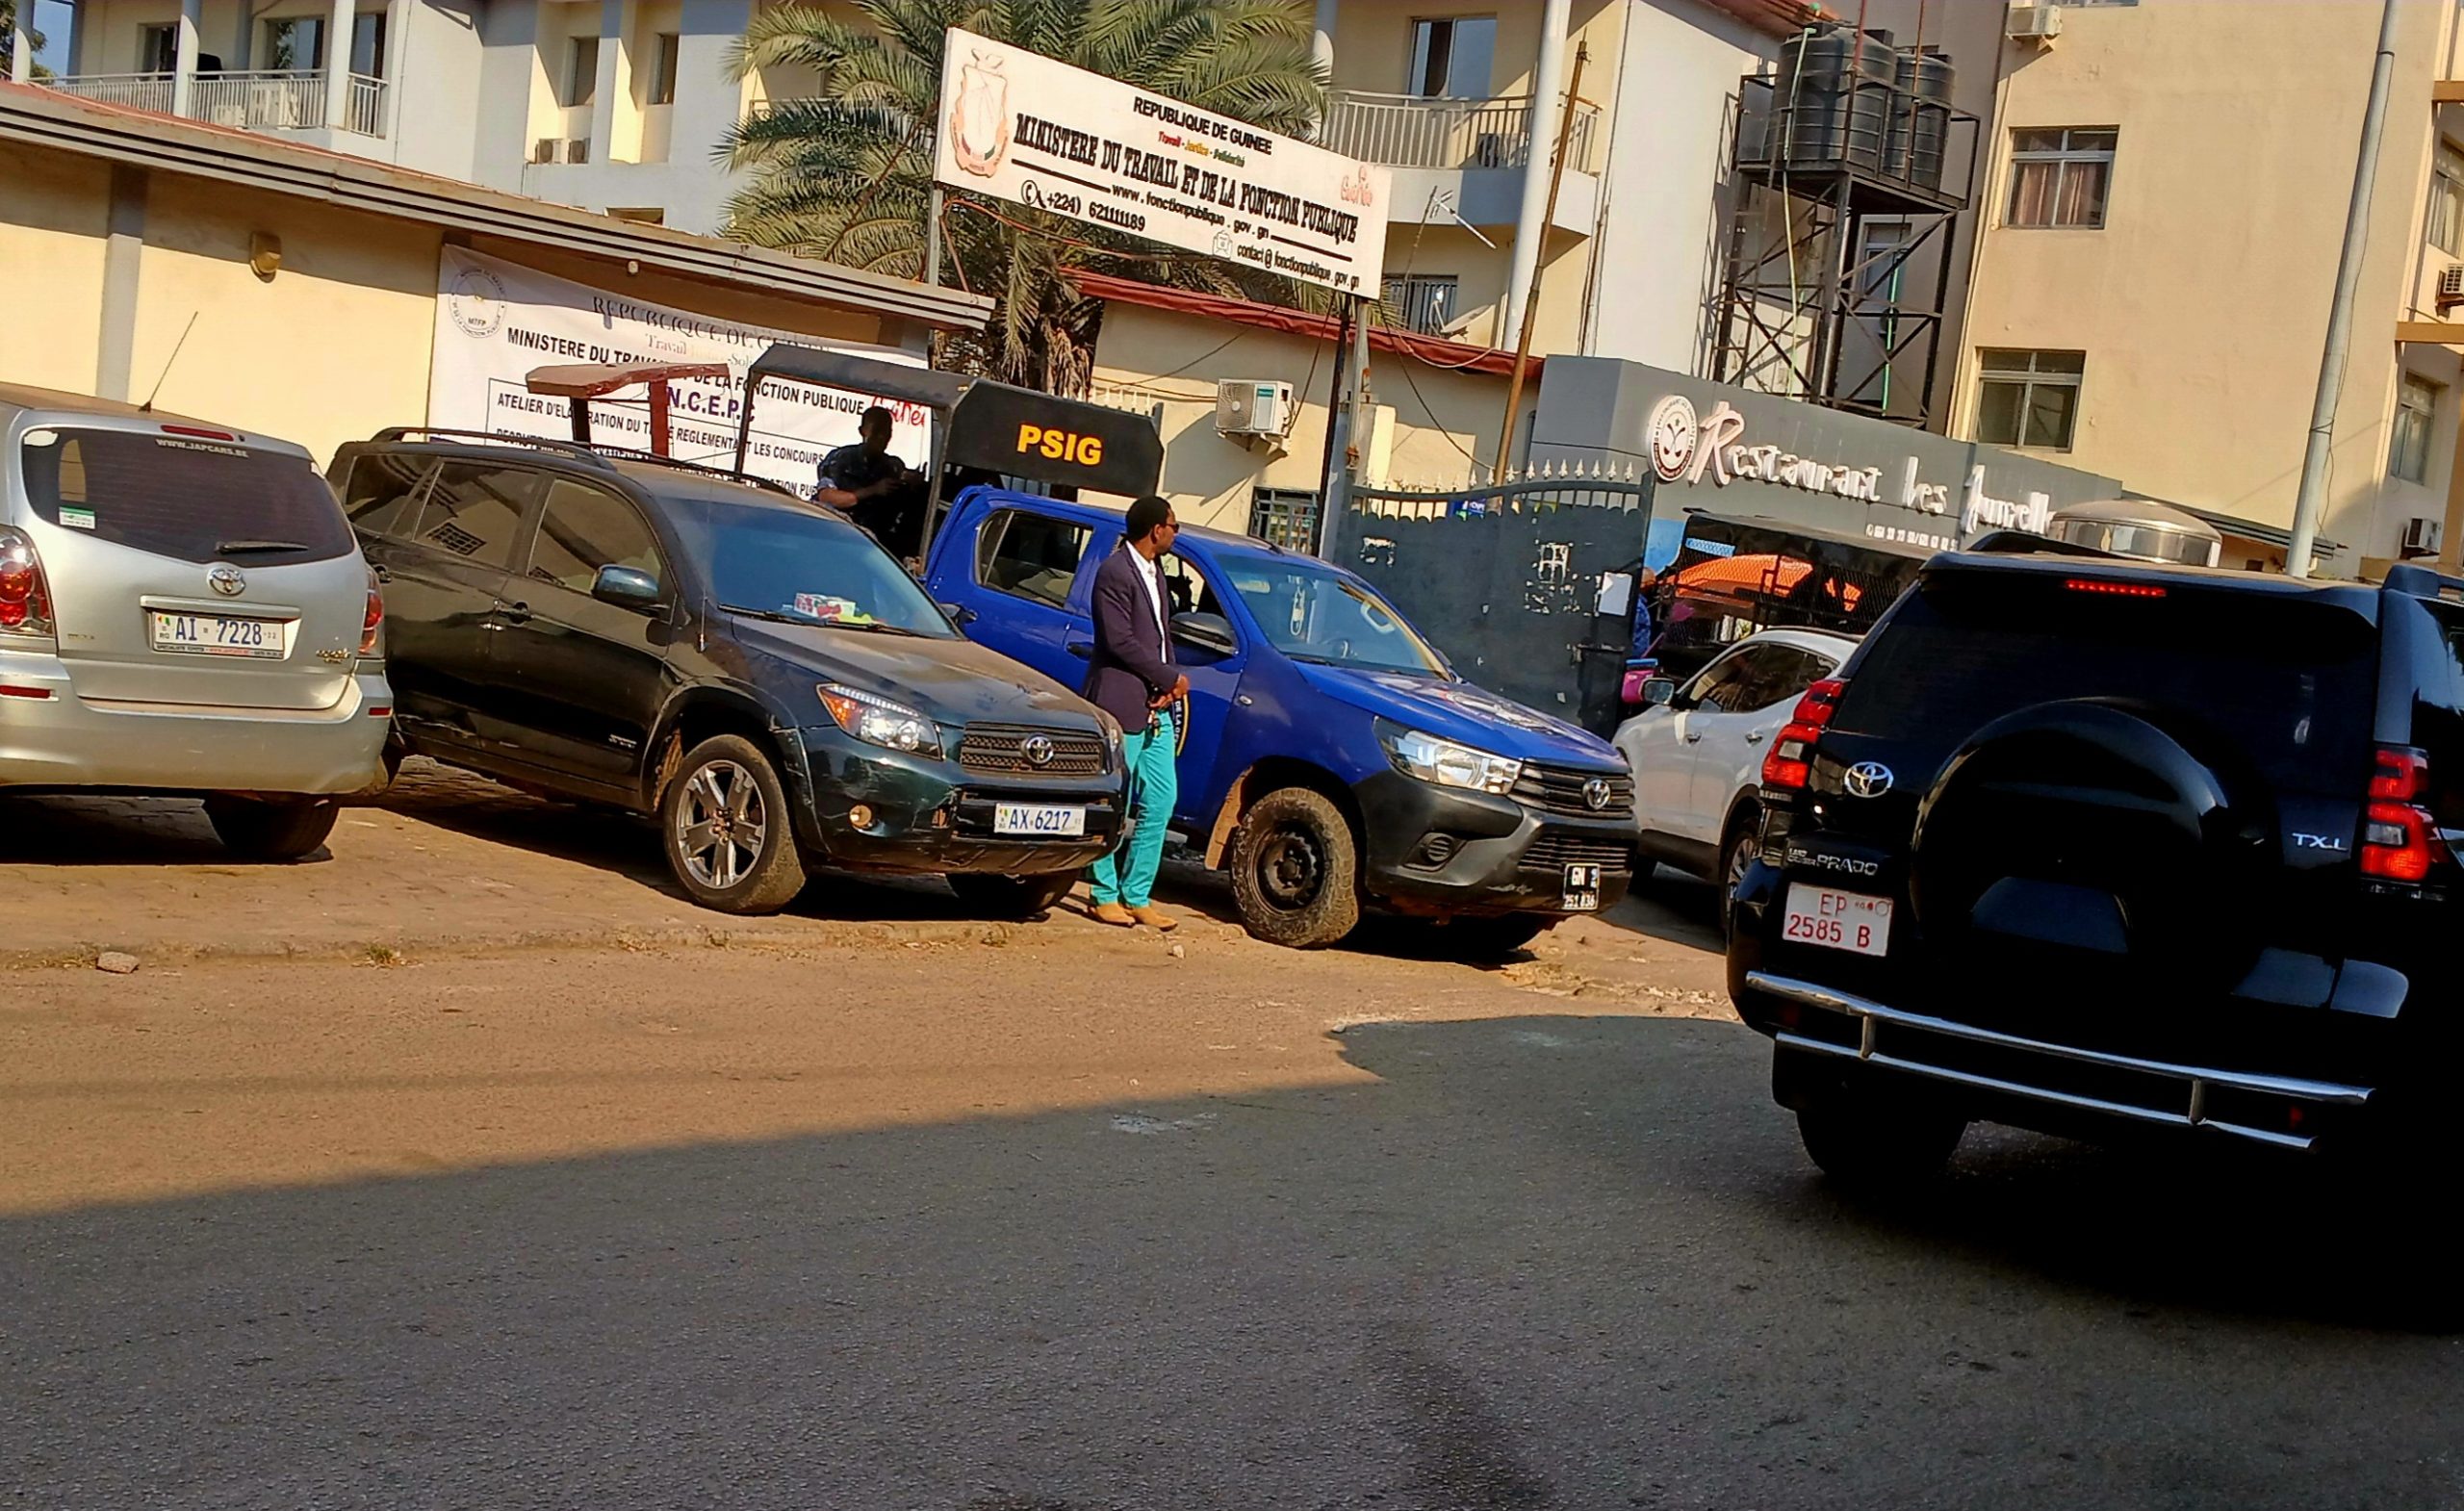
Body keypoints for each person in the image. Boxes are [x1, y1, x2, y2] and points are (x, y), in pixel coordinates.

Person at [1084, 495, 1187, 931]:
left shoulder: (1156, 572)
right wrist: (1166, 677)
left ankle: (1137, 893)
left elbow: (1159, 637)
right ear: (1155, 529)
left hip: (1154, 705)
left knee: (1161, 798)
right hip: (1120, 700)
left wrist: (1167, 683)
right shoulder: (1114, 572)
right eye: (1173, 525)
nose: (1176, 533)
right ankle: (1102, 891)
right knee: (1116, 797)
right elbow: (1119, 640)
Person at [816, 407, 914, 547]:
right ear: (862, 431)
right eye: (877, 432)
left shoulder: (893, 466)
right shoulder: (841, 459)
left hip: (873, 542)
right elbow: (827, 498)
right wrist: (873, 490)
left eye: (887, 433)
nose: (882, 438)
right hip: (836, 535)